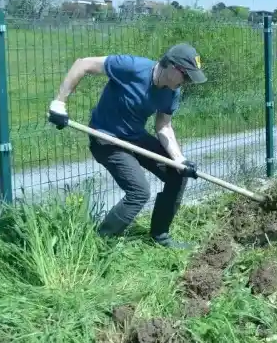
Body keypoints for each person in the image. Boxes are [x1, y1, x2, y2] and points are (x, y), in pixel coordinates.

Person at [46, 42, 207, 249]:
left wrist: (179, 160)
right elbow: (83, 64)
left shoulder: (172, 91)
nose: (187, 82)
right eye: (186, 76)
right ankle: (102, 242)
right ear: (173, 67)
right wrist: (59, 103)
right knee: (139, 191)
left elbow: (163, 125)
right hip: (106, 138)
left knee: (177, 175)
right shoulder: (132, 67)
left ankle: (160, 235)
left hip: (135, 137)